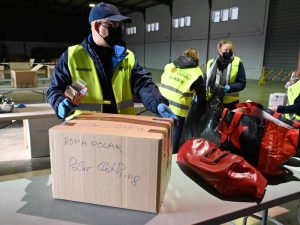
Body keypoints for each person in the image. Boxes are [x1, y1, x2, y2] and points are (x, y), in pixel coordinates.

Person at [47, 2, 177, 122]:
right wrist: (59, 103)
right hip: (86, 130)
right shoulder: (72, 56)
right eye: (112, 25)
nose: (117, 29)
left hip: (121, 127)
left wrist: (157, 102)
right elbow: (55, 89)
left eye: (119, 25)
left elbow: (143, 84)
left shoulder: (127, 56)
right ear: (97, 26)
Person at [159, 48, 206, 153]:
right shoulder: (196, 72)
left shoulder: (170, 66)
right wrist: (200, 114)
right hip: (177, 111)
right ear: (196, 60)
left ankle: (158, 156)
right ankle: (171, 159)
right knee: (173, 139)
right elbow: (202, 99)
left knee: (159, 134)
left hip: (160, 105)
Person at [206, 40, 246, 109]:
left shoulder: (237, 62)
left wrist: (230, 87)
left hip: (230, 103)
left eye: (230, 50)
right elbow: (205, 80)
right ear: (219, 49)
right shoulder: (211, 63)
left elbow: (242, 83)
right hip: (212, 99)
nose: (228, 52)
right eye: (226, 50)